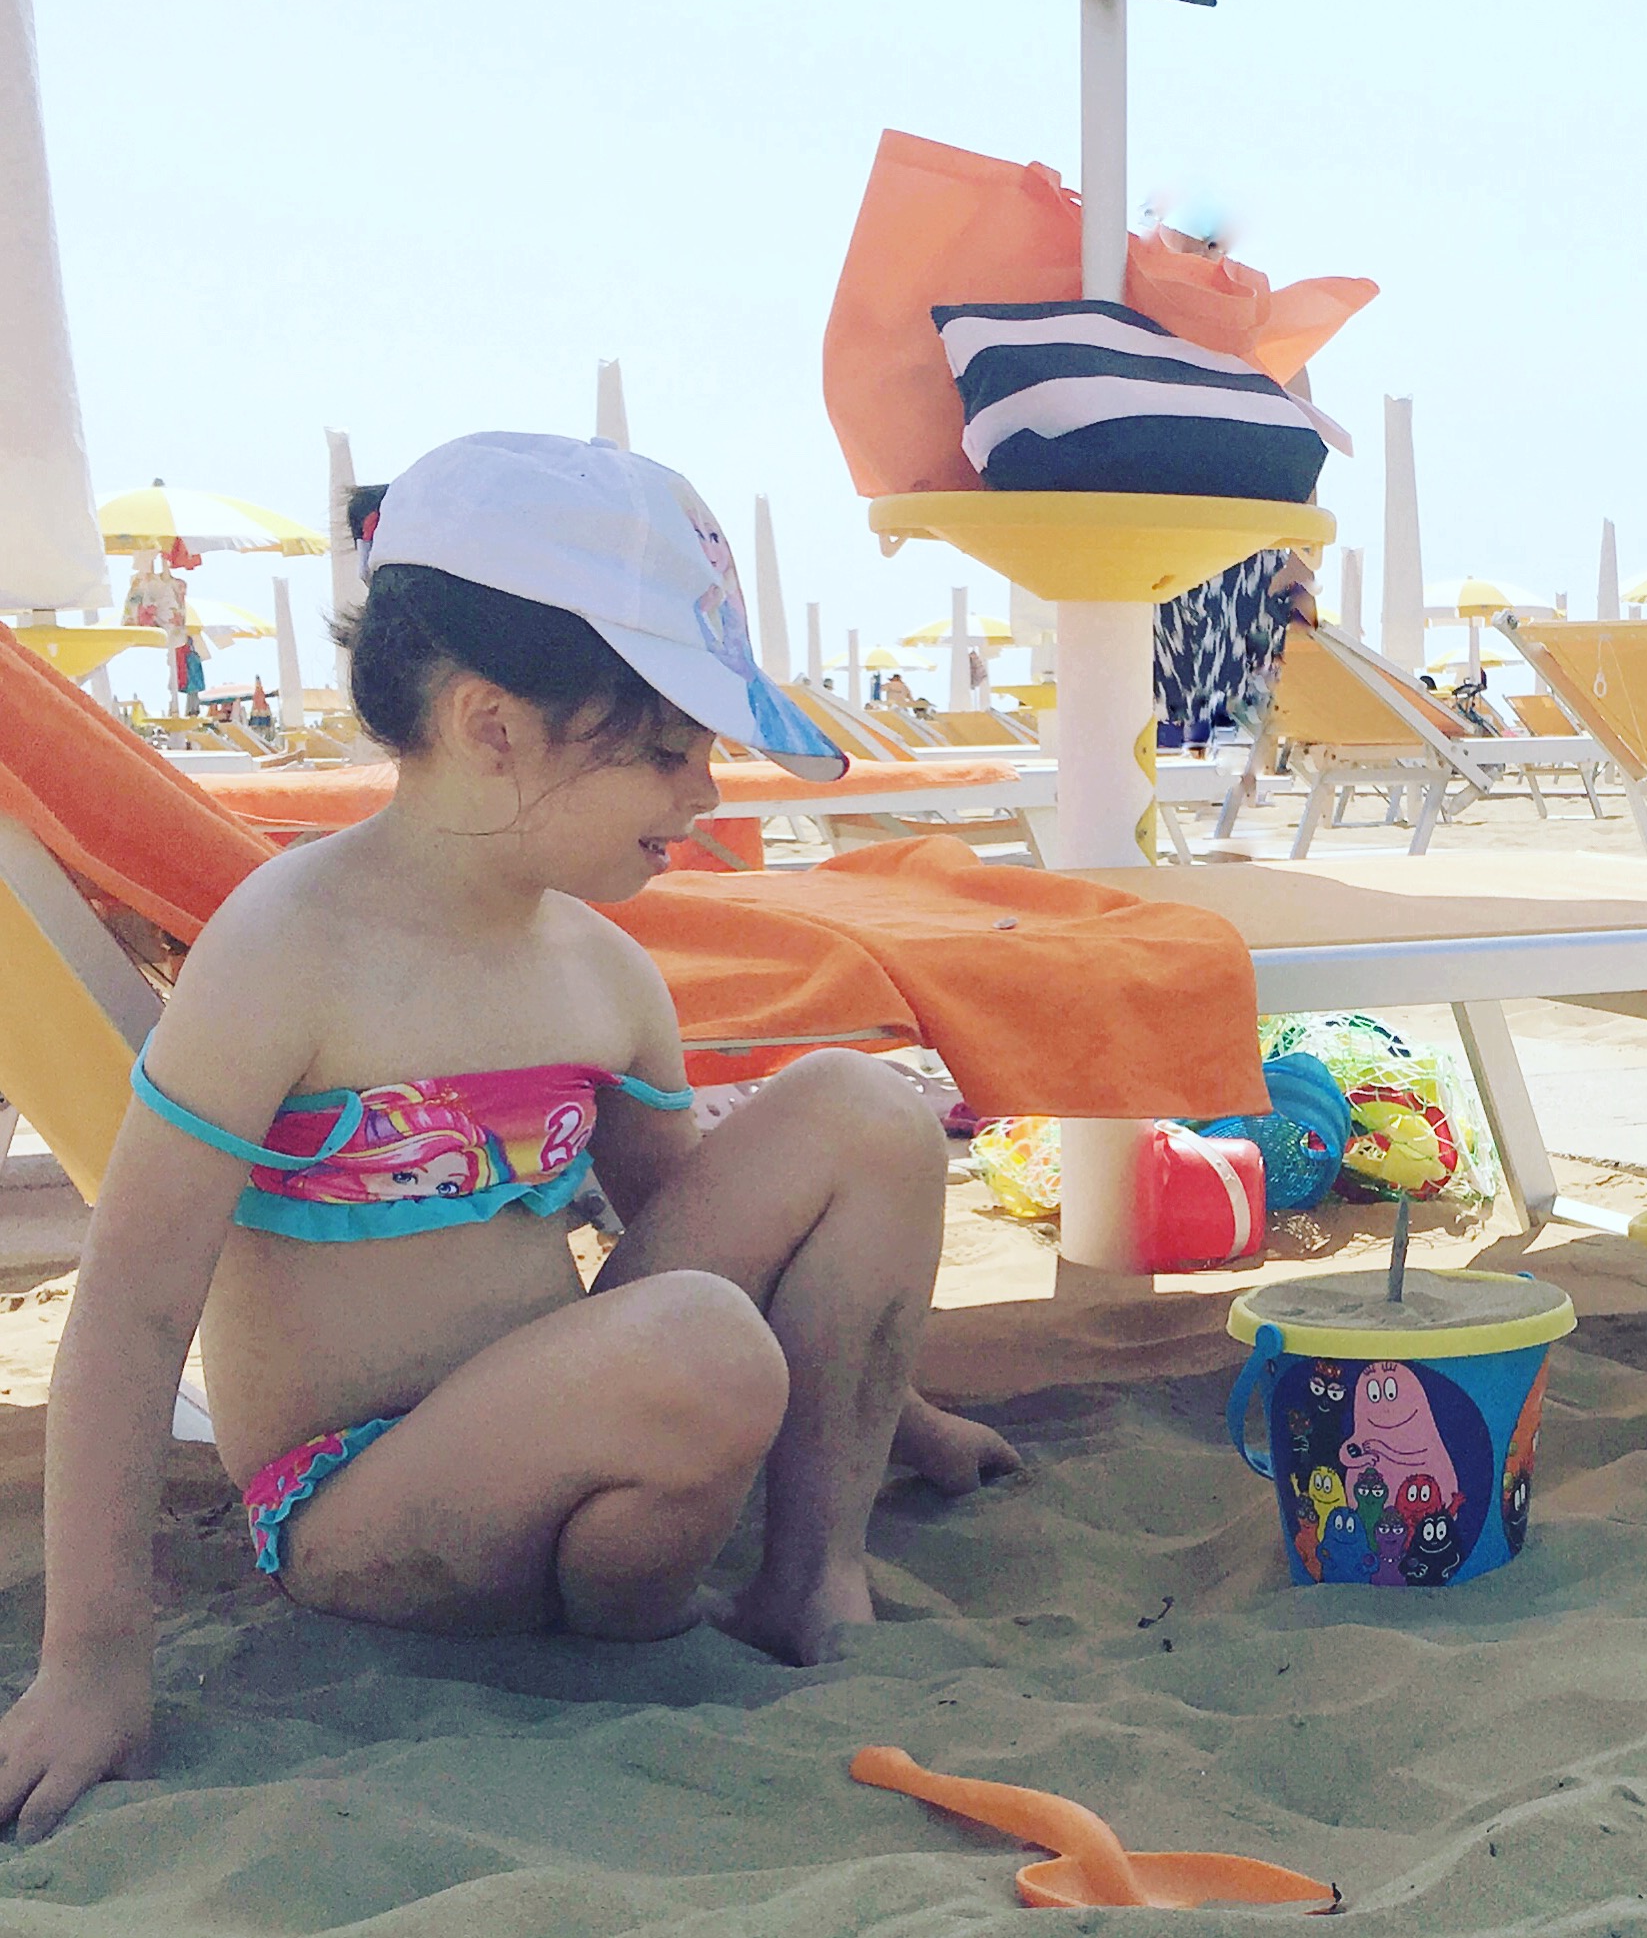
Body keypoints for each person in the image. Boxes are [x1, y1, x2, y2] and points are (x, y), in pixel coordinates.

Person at [0, 433, 1013, 1843]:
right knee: (703, 1345)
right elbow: (130, 1306)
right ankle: (660, 1595)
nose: (706, 796)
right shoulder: (291, 951)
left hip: (586, 1433)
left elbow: (715, 1235)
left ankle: (811, 1574)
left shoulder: (601, 972)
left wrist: (897, 1415)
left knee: (865, 1107)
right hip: (362, 1512)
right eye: (664, 751)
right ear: (491, 726)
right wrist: (91, 1662)